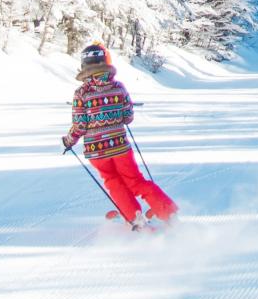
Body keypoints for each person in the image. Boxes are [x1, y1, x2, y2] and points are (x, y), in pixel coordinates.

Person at [64, 42, 178, 225]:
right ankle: (166, 211)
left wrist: (69, 140)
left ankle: (134, 217)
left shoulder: (81, 93)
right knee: (135, 180)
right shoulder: (119, 87)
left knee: (112, 181)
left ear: (85, 66)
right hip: (120, 146)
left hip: (97, 150)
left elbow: (80, 126)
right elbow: (128, 116)